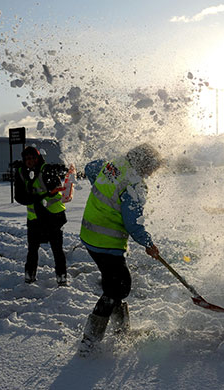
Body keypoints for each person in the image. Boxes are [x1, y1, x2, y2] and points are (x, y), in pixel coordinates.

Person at [78, 143, 163, 355]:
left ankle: (121, 331)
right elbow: (132, 223)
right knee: (119, 288)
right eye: (153, 168)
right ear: (145, 164)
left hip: (89, 234)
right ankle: (89, 341)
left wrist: (103, 200)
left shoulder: (114, 165)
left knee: (113, 284)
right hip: (106, 241)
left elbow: (90, 168)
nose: (153, 173)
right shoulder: (135, 185)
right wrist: (149, 244)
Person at [14, 146, 68, 286]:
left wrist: (42, 196)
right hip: (34, 219)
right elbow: (19, 196)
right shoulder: (21, 172)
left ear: (37, 158)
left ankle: (62, 278)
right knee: (32, 249)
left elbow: (55, 189)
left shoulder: (47, 170)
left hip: (53, 216)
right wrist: (35, 199)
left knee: (57, 249)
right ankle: (29, 276)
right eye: (27, 159)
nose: (30, 161)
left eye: (32, 158)